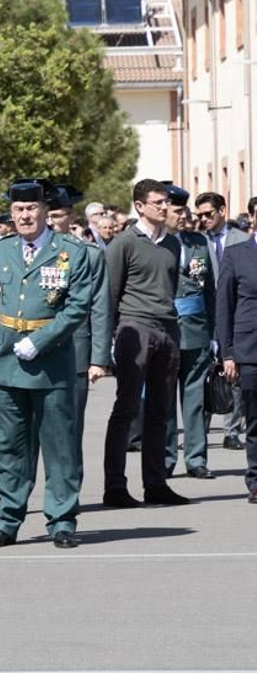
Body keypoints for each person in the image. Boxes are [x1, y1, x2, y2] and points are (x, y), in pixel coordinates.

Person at [0, 179, 96, 550]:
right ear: (11, 214)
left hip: (51, 362)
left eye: (31, 209)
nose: (24, 215)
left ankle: (62, 519)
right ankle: (7, 519)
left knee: (59, 445)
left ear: (43, 211)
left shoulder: (71, 251)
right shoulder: (2, 250)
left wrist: (39, 341)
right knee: (8, 446)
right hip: (7, 362)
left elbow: (76, 307)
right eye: (18, 210)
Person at [102, 178, 189, 509]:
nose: (165, 207)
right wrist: (105, 347)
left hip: (168, 330)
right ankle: (115, 486)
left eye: (166, 202)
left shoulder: (173, 244)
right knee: (126, 409)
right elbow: (110, 295)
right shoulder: (123, 243)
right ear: (139, 206)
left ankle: (156, 484)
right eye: (158, 202)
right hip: (134, 329)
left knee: (161, 411)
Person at [46, 186, 113, 480]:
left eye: (57, 215)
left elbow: (100, 308)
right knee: (33, 429)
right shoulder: (24, 252)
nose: (50, 222)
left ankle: (67, 491)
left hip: (75, 349)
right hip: (32, 350)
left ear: (70, 216)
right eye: (46, 215)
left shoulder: (88, 254)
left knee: (69, 426)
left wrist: (98, 358)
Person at [162, 186, 216, 481]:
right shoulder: (158, 244)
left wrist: (216, 332)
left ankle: (196, 458)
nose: (183, 216)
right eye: (177, 211)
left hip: (196, 328)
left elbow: (209, 289)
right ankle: (166, 457)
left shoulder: (198, 243)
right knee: (165, 398)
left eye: (185, 211)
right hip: (167, 327)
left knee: (195, 398)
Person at [195, 191, 249, 449]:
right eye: (200, 215)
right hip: (205, 315)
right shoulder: (197, 242)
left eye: (208, 214)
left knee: (233, 374)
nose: (204, 219)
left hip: (235, 314)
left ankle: (231, 430)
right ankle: (200, 431)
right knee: (205, 373)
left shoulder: (242, 239)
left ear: (222, 211)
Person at [216, 229, 257, 501]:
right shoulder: (236, 254)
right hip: (250, 348)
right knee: (254, 420)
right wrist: (227, 353)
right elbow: (224, 305)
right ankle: (255, 478)